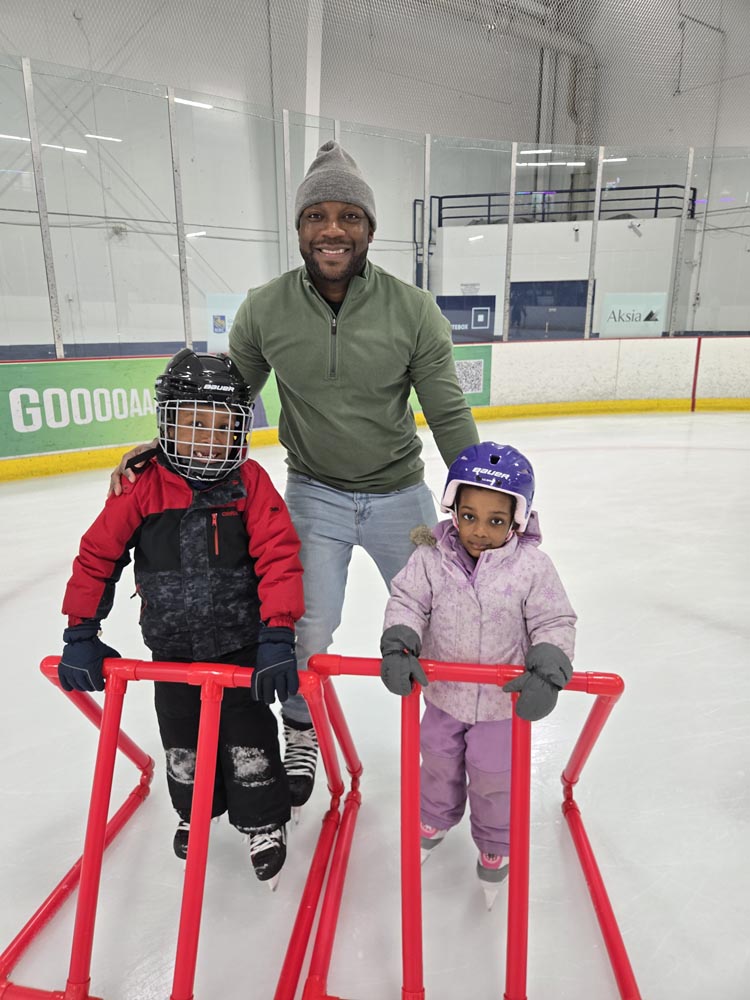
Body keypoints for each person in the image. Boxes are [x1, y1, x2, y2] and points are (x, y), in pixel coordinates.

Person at [109, 140, 479, 810]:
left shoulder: (413, 310)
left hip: (401, 494)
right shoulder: (265, 309)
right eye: (317, 216)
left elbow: (447, 408)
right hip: (315, 493)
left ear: (369, 229)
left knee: (445, 618)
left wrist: (481, 486)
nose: (333, 229)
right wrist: (164, 451)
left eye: (349, 216)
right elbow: (225, 406)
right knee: (304, 627)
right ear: (300, 228)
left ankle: (454, 737)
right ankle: (302, 727)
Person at [60, 349, 304, 885]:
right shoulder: (143, 485)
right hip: (170, 650)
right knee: (182, 738)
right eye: (193, 423)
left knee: (248, 736)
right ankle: (195, 810)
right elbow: (98, 555)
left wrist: (278, 631)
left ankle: (264, 820)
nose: (207, 439)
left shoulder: (249, 482)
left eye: (221, 426)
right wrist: (80, 630)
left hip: (240, 646)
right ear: (167, 423)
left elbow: (279, 556)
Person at [379, 442, 576, 908]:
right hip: (443, 695)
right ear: (453, 508)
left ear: (517, 520)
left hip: (500, 705)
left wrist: (549, 667)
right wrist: (400, 642)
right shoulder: (431, 557)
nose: (480, 531)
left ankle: (494, 842)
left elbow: (553, 620)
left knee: (493, 776)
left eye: (496, 520)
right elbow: (408, 601)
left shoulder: (532, 567)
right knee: (437, 760)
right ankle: (435, 817)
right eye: (469, 516)